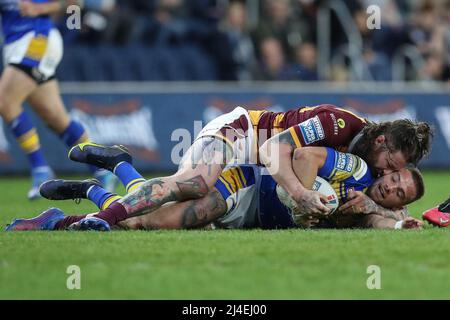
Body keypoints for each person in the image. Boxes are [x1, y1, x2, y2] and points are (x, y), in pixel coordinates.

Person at [51, 104, 431, 229]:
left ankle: (115, 168)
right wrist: (300, 193)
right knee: (196, 182)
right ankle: (103, 208)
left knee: (173, 214)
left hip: (250, 172)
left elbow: (377, 209)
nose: (383, 174)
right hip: (241, 134)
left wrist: (396, 219)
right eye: (389, 166)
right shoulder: (339, 123)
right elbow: (272, 149)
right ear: (381, 141)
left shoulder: (364, 166)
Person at [5, 145, 424, 231]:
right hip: (241, 185)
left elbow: (384, 223)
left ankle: (105, 178)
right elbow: (303, 156)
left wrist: (401, 226)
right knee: (150, 220)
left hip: (251, 219)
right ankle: (100, 185)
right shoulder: (352, 168)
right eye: (393, 178)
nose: (390, 187)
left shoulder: (373, 209)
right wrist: (306, 192)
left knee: (146, 219)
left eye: (400, 191)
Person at [0, 0, 116, 199]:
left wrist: (40, 8)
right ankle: (101, 170)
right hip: (15, 45)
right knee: (55, 118)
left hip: (37, 38)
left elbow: (74, 3)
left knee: (5, 101)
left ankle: (40, 170)